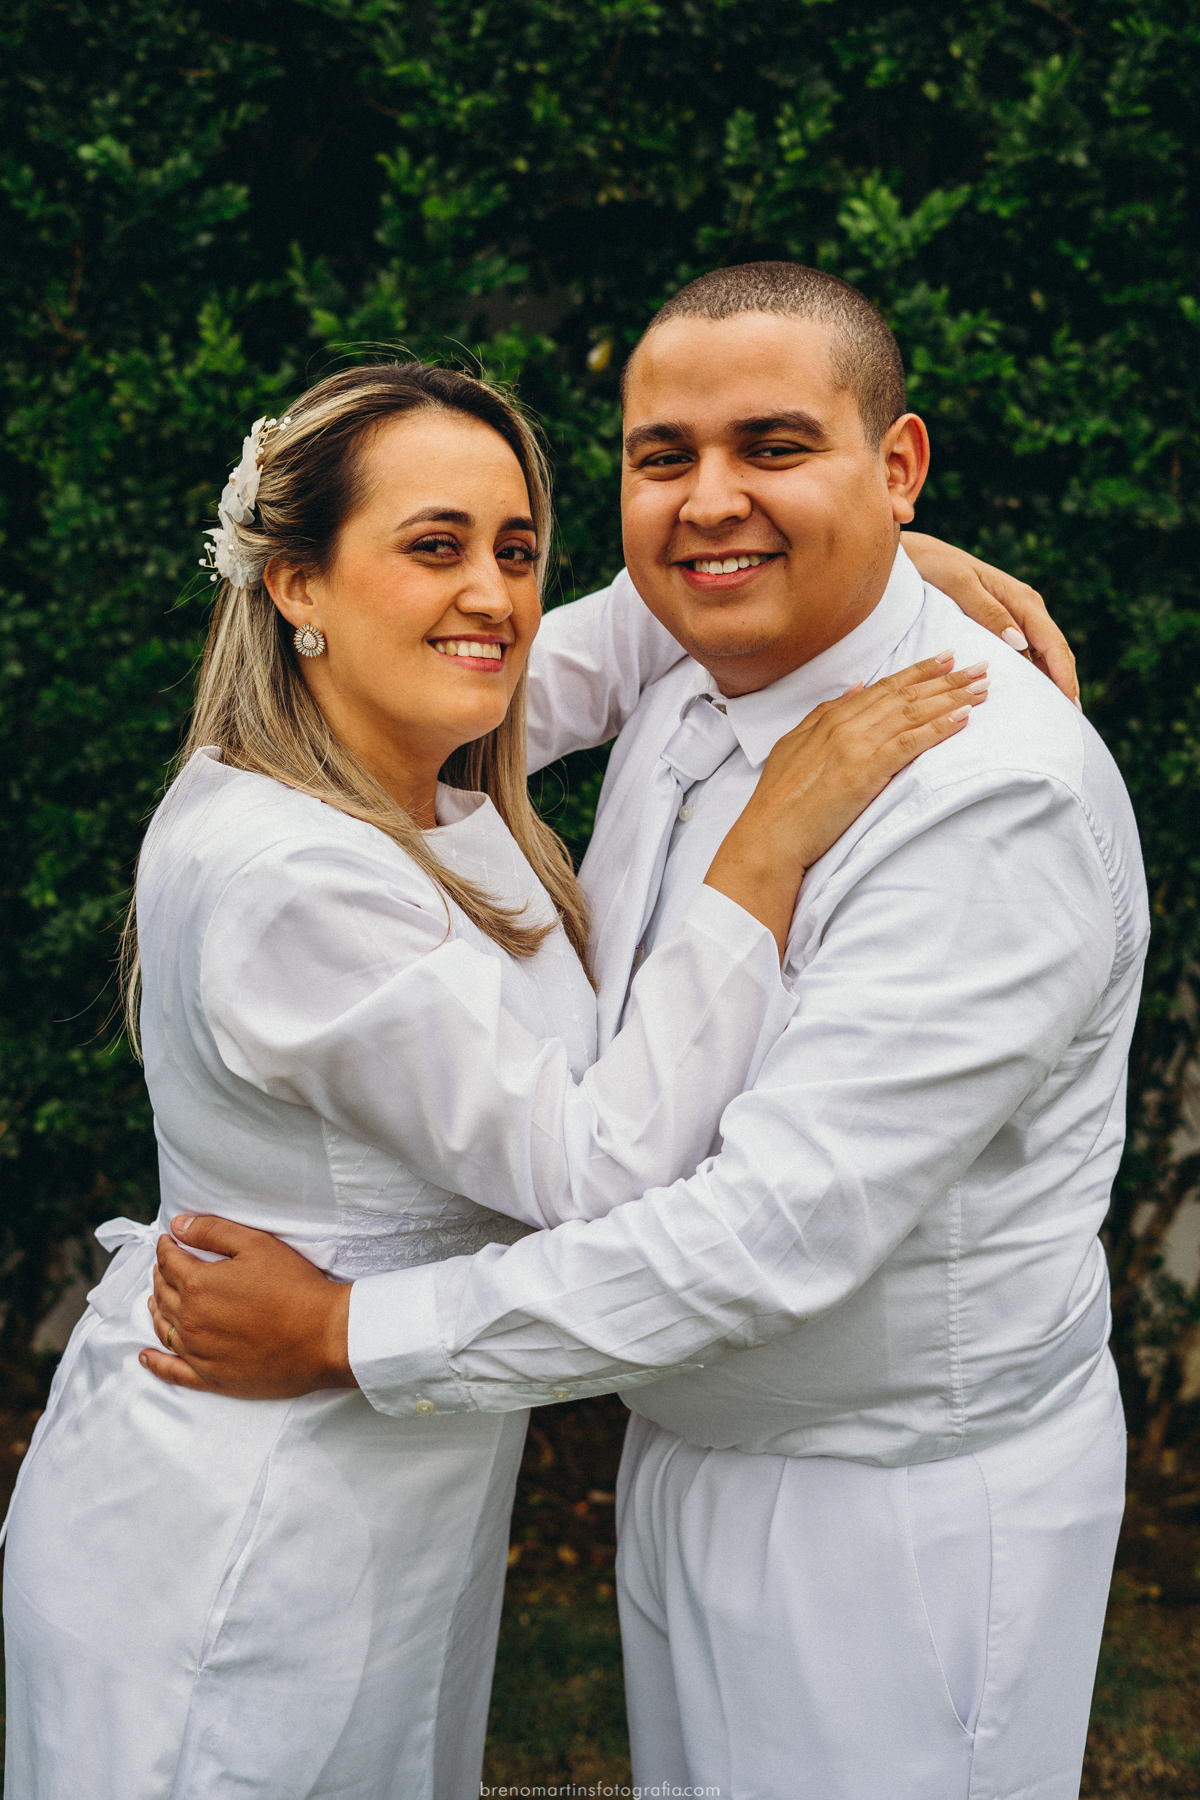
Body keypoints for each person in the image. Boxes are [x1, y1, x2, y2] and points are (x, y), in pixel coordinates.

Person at [143, 265, 1145, 1800]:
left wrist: (351, 1334)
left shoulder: (983, 798)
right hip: (685, 1464)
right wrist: (860, 547)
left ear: (897, 463)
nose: (708, 502)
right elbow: (411, 670)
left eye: (775, 446)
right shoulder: (682, 659)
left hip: (896, 1516)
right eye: (664, 458)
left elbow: (766, 1237)